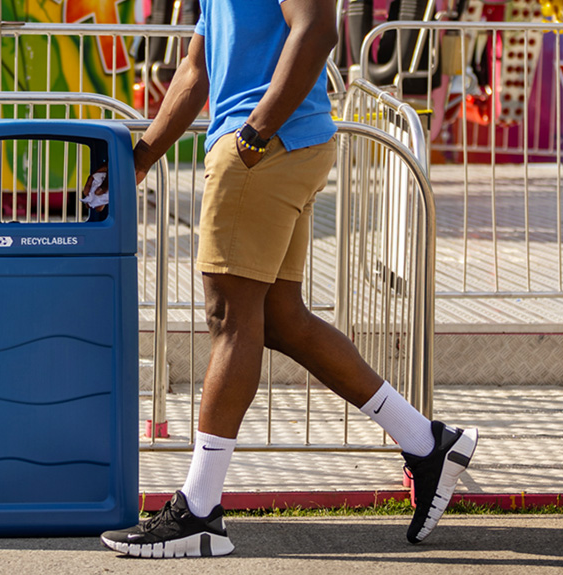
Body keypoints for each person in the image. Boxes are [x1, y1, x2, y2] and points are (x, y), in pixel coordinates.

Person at [94, 0, 479, 559]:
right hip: (276, 143)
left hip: (264, 143)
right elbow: (196, 67)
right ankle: (427, 442)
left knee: (229, 318)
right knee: (280, 318)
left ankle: (199, 512)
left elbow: (318, 26)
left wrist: (256, 131)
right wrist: (142, 155)